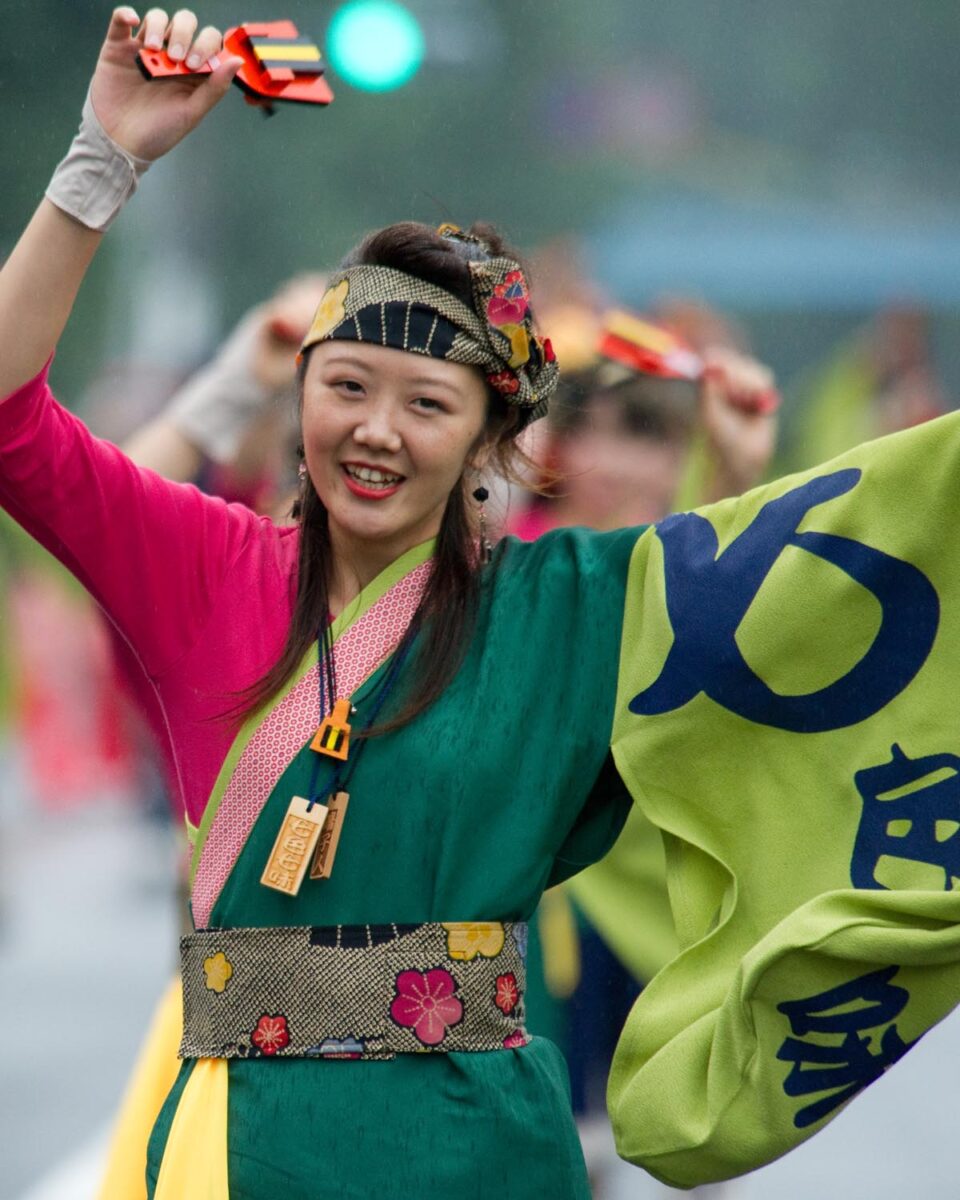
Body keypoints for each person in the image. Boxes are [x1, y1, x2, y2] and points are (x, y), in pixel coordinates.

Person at [5, 10, 960, 1197]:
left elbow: (799, 595)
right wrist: (105, 158)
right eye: (346, 386)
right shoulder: (211, 569)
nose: (374, 430)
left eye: (427, 405)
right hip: (241, 1148)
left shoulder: (570, 609)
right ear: (299, 399)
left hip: (479, 1148)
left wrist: (747, 472)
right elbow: (12, 422)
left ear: (491, 447)